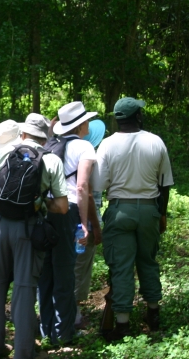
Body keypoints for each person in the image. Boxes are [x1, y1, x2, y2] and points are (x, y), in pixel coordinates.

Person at [0, 113, 69, 359]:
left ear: (23, 133)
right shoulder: (51, 160)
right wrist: (38, 201)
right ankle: (24, 351)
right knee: (25, 290)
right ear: (44, 136)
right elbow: (62, 207)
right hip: (29, 230)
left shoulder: (1, 153)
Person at [94, 98, 173, 341]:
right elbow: (165, 185)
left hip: (120, 210)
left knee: (121, 267)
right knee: (148, 262)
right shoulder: (155, 141)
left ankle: (123, 324)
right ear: (137, 116)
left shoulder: (107, 145)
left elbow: (99, 184)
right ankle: (153, 315)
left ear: (117, 118)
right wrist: (161, 214)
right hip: (149, 210)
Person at [38, 102, 102, 345]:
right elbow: (83, 187)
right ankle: (64, 334)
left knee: (46, 273)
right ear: (82, 124)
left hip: (47, 210)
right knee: (65, 273)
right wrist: (84, 224)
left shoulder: (50, 145)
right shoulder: (84, 146)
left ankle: (46, 330)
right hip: (69, 211)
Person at [74, 117, 106, 329]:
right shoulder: (89, 160)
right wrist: (95, 225)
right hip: (83, 222)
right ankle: (74, 316)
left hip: (66, 217)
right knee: (79, 266)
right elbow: (89, 195)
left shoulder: (66, 152)